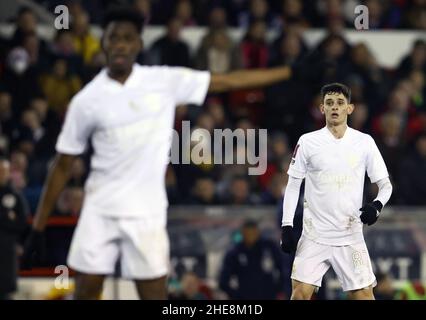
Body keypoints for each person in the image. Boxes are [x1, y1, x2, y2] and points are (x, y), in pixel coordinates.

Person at [21, 7, 292, 300]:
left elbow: (227, 81)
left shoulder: (163, 81)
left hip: (146, 212)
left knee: (153, 296)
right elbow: (62, 166)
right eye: (114, 38)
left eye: (128, 38)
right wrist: (38, 226)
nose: (121, 44)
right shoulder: (86, 100)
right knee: (85, 292)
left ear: (139, 43)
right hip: (99, 210)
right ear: (104, 43)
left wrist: (289, 72)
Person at [280, 83, 393, 300]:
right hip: (314, 236)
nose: (335, 107)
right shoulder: (308, 142)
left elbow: (385, 186)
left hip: (350, 235)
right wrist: (286, 226)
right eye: (329, 103)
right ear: (322, 108)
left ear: (350, 108)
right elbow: (293, 185)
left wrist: (376, 206)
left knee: (364, 297)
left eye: (340, 103)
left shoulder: (364, 142)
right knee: (299, 295)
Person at [219, 219, 284, 300]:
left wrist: (279, 290)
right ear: (243, 233)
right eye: (248, 233)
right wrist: (236, 295)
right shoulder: (235, 252)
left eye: (253, 233)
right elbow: (223, 281)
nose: (250, 236)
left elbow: (283, 269)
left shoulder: (269, 247)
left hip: (268, 295)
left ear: (258, 232)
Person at [0, 157, 29, 300]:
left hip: (7, 249)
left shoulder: (15, 196)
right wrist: (6, 217)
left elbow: (22, 222)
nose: (1, 174)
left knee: (6, 290)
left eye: (4, 171)